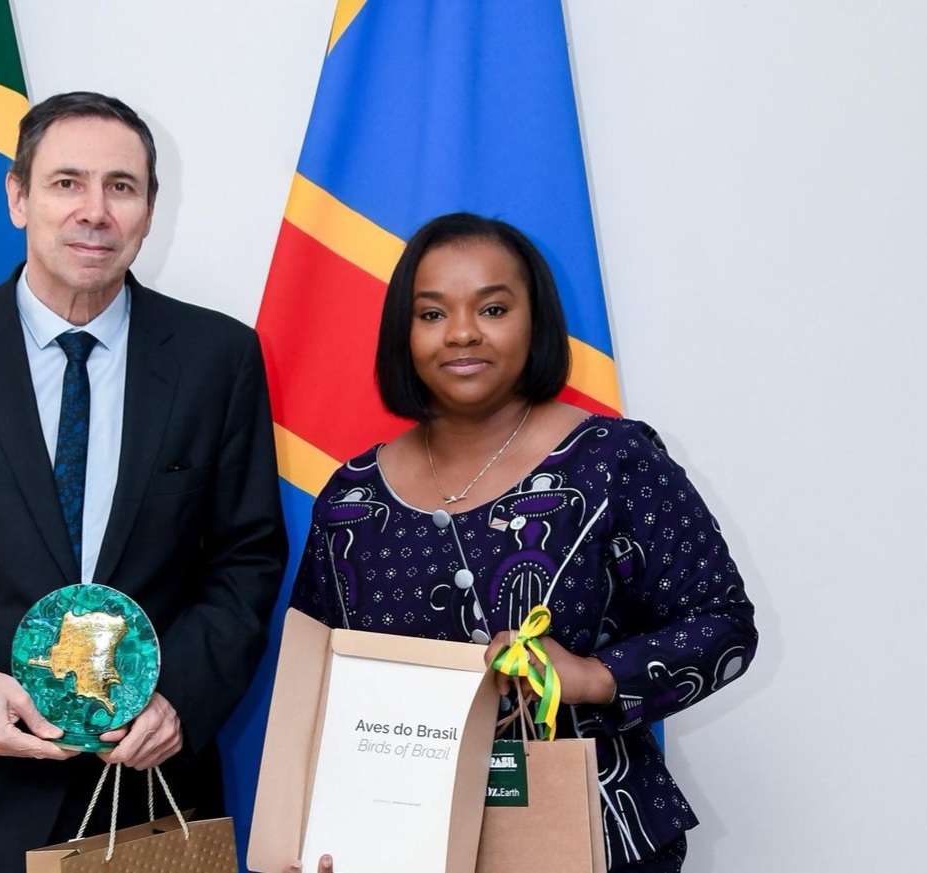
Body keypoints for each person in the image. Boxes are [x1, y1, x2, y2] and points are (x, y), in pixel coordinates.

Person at [0, 91, 287, 873]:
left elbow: (246, 559)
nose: (94, 211)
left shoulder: (218, 359)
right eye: (66, 182)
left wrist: (179, 695)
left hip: (147, 802)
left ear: (149, 210)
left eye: (121, 186)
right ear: (19, 197)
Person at [288, 213, 757, 873]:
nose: (461, 332)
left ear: (535, 322)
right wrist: (315, 831)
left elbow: (723, 624)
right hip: (401, 846)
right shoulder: (350, 499)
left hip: (592, 839)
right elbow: (319, 685)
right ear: (402, 332)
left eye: (493, 308)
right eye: (432, 313)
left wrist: (593, 676)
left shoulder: (612, 461)